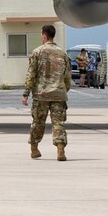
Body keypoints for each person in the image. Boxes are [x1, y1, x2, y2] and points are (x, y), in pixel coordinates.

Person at [22, 23, 71, 161]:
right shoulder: (63, 53)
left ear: (44, 35)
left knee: (38, 122)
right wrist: (63, 89)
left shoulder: (37, 52)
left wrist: (26, 93)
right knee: (58, 123)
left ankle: (34, 148)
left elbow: (31, 74)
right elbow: (67, 76)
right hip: (59, 94)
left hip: (41, 94)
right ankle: (60, 150)